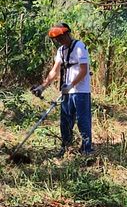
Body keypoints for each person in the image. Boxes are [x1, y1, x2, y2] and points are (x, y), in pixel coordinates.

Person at [32, 23, 93, 156]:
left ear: (67, 34)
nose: (59, 40)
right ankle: (66, 148)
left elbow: (83, 70)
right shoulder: (61, 51)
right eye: (57, 39)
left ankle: (87, 150)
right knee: (65, 121)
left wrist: (71, 85)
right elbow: (54, 71)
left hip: (81, 91)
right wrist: (42, 87)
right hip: (67, 91)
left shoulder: (79, 47)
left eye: (60, 37)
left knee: (83, 121)